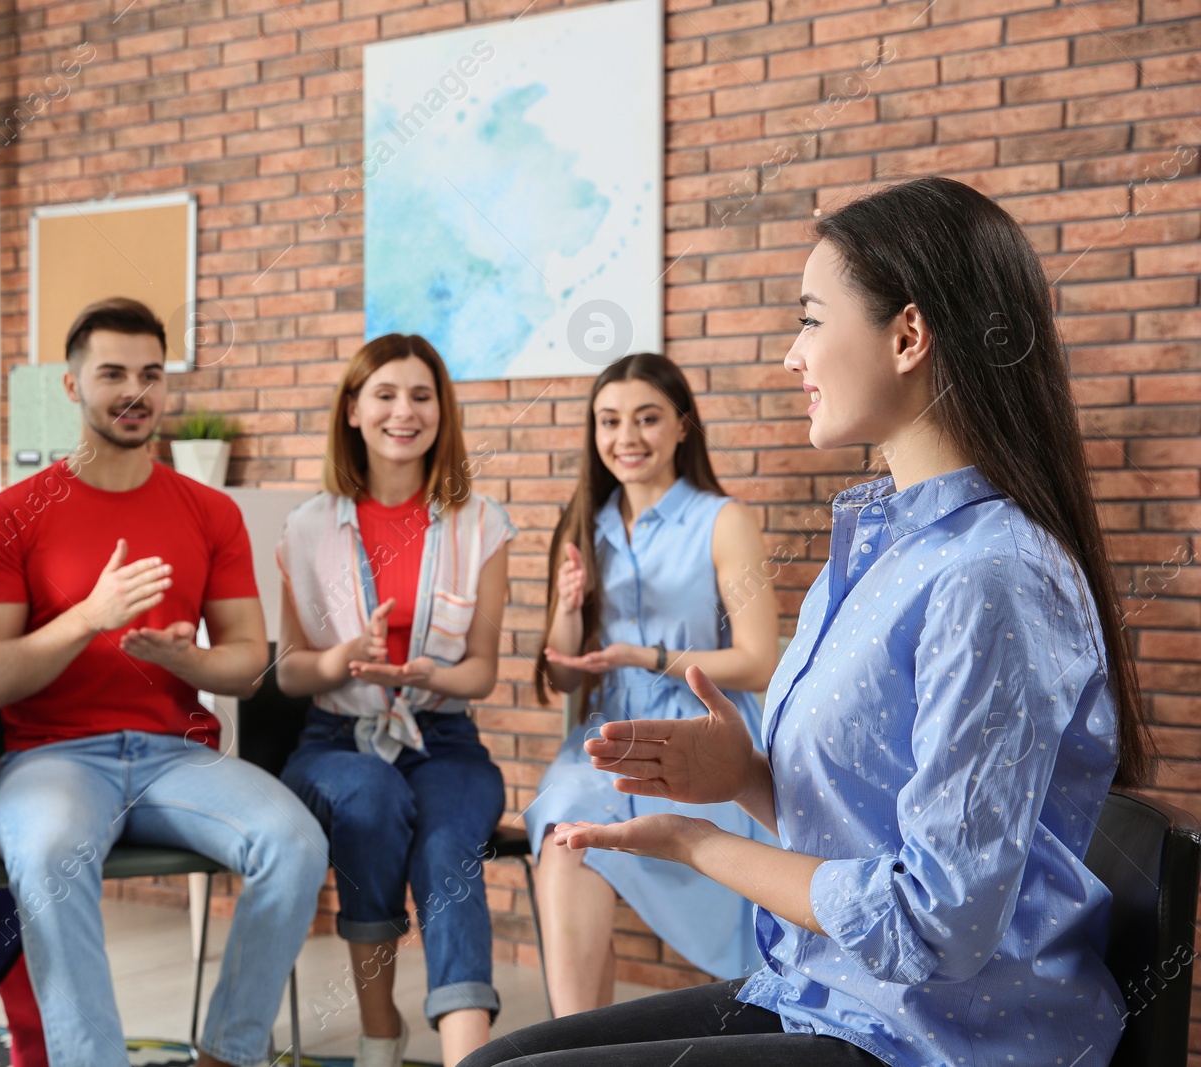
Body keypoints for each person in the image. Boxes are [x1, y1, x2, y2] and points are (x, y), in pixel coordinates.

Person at [464, 176, 1153, 1067]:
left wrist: (702, 845)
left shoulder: (991, 574)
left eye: (811, 319)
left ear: (907, 335)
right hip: (831, 992)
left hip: (941, 1036)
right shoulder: (872, 540)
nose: (792, 355)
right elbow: (879, 813)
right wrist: (750, 776)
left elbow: (934, 922)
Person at [0, 297, 327, 1067]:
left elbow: (245, 660)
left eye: (151, 374)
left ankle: (228, 1052)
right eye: (113, 373)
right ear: (70, 386)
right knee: (52, 852)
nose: (135, 391)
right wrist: (87, 616)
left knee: (294, 842)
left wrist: (182, 661)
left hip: (175, 756)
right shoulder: (9, 515)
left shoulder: (210, 511)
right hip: (52, 756)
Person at [275, 334, 515, 1067]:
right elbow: (290, 673)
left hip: (443, 738)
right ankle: (380, 1036)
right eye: (384, 394)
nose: (403, 411)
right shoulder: (307, 526)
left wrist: (422, 672)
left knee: (448, 846)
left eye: (421, 395)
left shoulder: (482, 523)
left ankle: (465, 1057)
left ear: (442, 409)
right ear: (353, 409)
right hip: (336, 740)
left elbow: (479, 673)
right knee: (372, 799)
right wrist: (346, 658)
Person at [527, 352, 780, 1014]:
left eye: (647, 418)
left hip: (704, 732)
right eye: (609, 420)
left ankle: (574, 1047)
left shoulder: (723, 520)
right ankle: (573, 1042)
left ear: (683, 427)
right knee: (568, 831)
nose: (626, 437)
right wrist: (568, 606)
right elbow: (558, 672)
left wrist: (648, 655)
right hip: (608, 736)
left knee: (576, 827)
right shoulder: (587, 523)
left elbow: (758, 661)